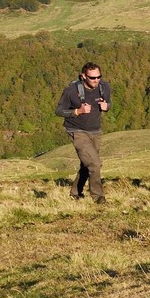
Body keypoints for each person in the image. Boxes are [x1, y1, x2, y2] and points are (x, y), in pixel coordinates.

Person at [56, 62, 110, 203]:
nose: (96, 80)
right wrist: (77, 111)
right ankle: (98, 197)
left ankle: (75, 193)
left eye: (99, 77)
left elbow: (107, 103)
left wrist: (107, 106)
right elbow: (59, 111)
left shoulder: (104, 87)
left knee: (88, 164)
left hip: (95, 130)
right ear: (83, 76)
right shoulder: (71, 91)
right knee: (94, 164)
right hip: (76, 130)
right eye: (92, 78)